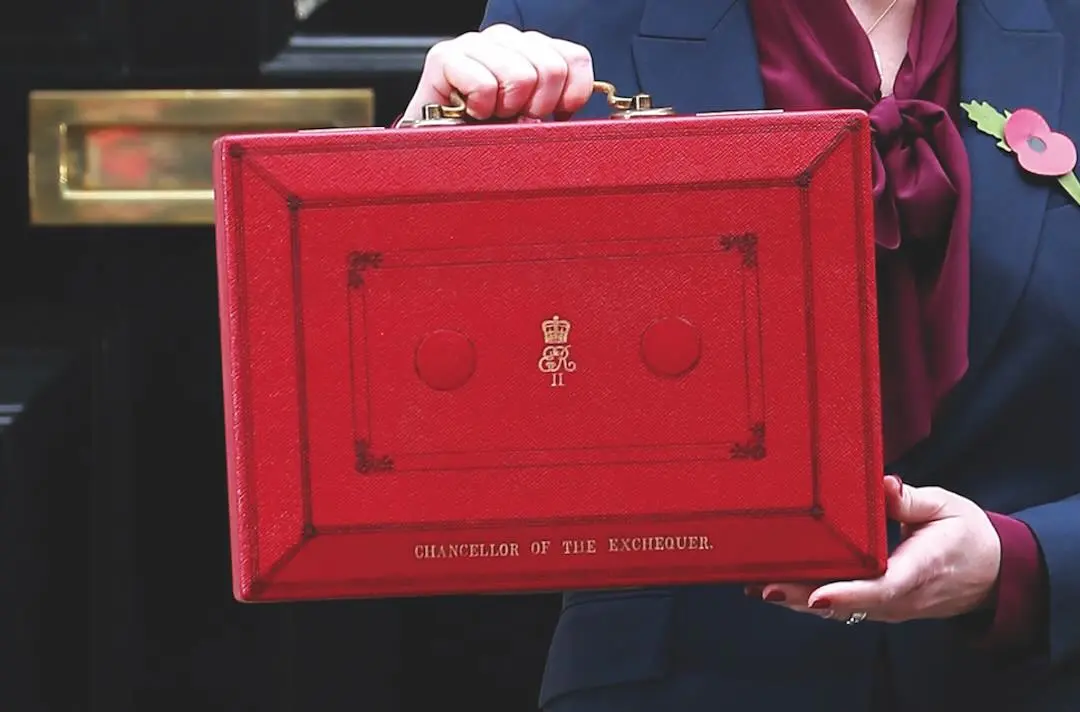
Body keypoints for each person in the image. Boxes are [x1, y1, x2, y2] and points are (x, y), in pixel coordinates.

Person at [400, 1, 1080, 710]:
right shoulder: (574, 17)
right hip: (677, 678)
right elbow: (438, 383)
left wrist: (1022, 562)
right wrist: (418, 157)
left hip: (1039, 671)